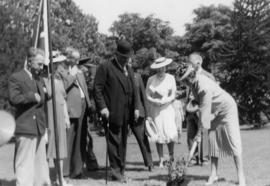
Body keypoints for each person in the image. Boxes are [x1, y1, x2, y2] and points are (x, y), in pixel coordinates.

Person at [176, 63, 246, 186]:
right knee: (213, 142)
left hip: (226, 109)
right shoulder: (193, 84)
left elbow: (205, 114)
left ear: (189, 77)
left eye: (183, 80)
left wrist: (199, 133)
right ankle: (214, 174)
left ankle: (241, 177)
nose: (183, 83)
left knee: (233, 141)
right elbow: (201, 105)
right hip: (214, 111)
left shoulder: (203, 86)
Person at [94, 40, 139, 182]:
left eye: (128, 57)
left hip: (127, 113)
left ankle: (121, 170)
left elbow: (134, 90)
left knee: (123, 143)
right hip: (111, 112)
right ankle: (115, 172)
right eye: (124, 57)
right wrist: (102, 107)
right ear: (117, 55)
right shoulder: (105, 67)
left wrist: (136, 107)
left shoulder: (129, 69)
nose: (126, 59)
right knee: (114, 143)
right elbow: (97, 89)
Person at [8, 47, 50, 186]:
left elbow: (42, 99)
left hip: (39, 128)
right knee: (25, 165)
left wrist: (48, 93)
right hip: (25, 127)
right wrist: (32, 96)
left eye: (42, 64)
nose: (41, 67)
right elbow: (13, 98)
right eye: (39, 64)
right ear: (29, 61)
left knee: (41, 166)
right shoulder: (16, 77)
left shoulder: (39, 79)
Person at [61, 47, 98, 178]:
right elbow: (63, 87)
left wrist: (89, 105)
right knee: (69, 139)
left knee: (81, 140)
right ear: (68, 58)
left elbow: (85, 90)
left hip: (83, 107)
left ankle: (77, 170)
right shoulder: (61, 70)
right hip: (70, 109)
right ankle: (65, 171)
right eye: (75, 59)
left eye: (78, 59)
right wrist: (72, 75)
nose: (77, 62)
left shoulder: (80, 71)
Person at [44, 54, 72, 186]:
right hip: (50, 117)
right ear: (53, 66)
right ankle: (51, 178)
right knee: (50, 149)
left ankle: (60, 179)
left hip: (60, 117)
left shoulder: (60, 81)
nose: (63, 66)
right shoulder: (47, 81)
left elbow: (63, 100)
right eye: (60, 64)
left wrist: (66, 117)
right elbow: (48, 94)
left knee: (60, 149)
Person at [145, 57, 178, 168]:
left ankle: (171, 157)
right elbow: (147, 95)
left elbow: (173, 94)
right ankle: (161, 159)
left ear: (165, 67)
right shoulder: (151, 79)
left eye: (162, 68)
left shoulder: (171, 78)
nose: (160, 70)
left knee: (169, 133)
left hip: (167, 108)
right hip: (156, 109)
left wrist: (165, 100)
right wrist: (154, 100)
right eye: (158, 68)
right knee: (158, 133)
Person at [186, 52, 216, 164]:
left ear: (198, 62)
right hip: (191, 109)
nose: (189, 65)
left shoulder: (208, 76)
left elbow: (213, 94)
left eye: (190, 62)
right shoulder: (189, 76)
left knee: (203, 133)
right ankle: (193, 158)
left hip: (203, 109)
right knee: (191, 134)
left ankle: (204, 158)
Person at [131, 63, 154, 171]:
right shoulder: (118, 77)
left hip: (139, 114)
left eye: (130, 63)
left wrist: (148, 115)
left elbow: (143, 97)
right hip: (124, 113)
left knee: (142, 139)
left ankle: (150, 163)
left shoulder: (137, 77)